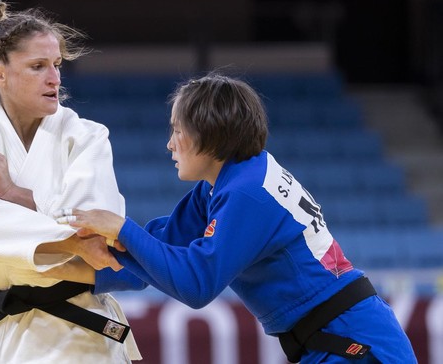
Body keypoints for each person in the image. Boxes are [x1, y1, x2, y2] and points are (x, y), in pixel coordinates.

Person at [54, 74, 418, 363]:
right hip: (335, 338)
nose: (170, 144)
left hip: (354, 342)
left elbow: (196, 285)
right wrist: (63, 276)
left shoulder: (248, 192)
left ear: (209, 132)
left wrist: (121, 229)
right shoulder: (223, 185)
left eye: (177, 130)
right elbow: (159, 256)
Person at [0, 0, 141, 363]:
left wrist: (17, 195)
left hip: (77, 337)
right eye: (38, 66)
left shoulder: (86, 136)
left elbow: (96, 227)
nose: (55, 78)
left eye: (57, 65)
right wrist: (72, 247)